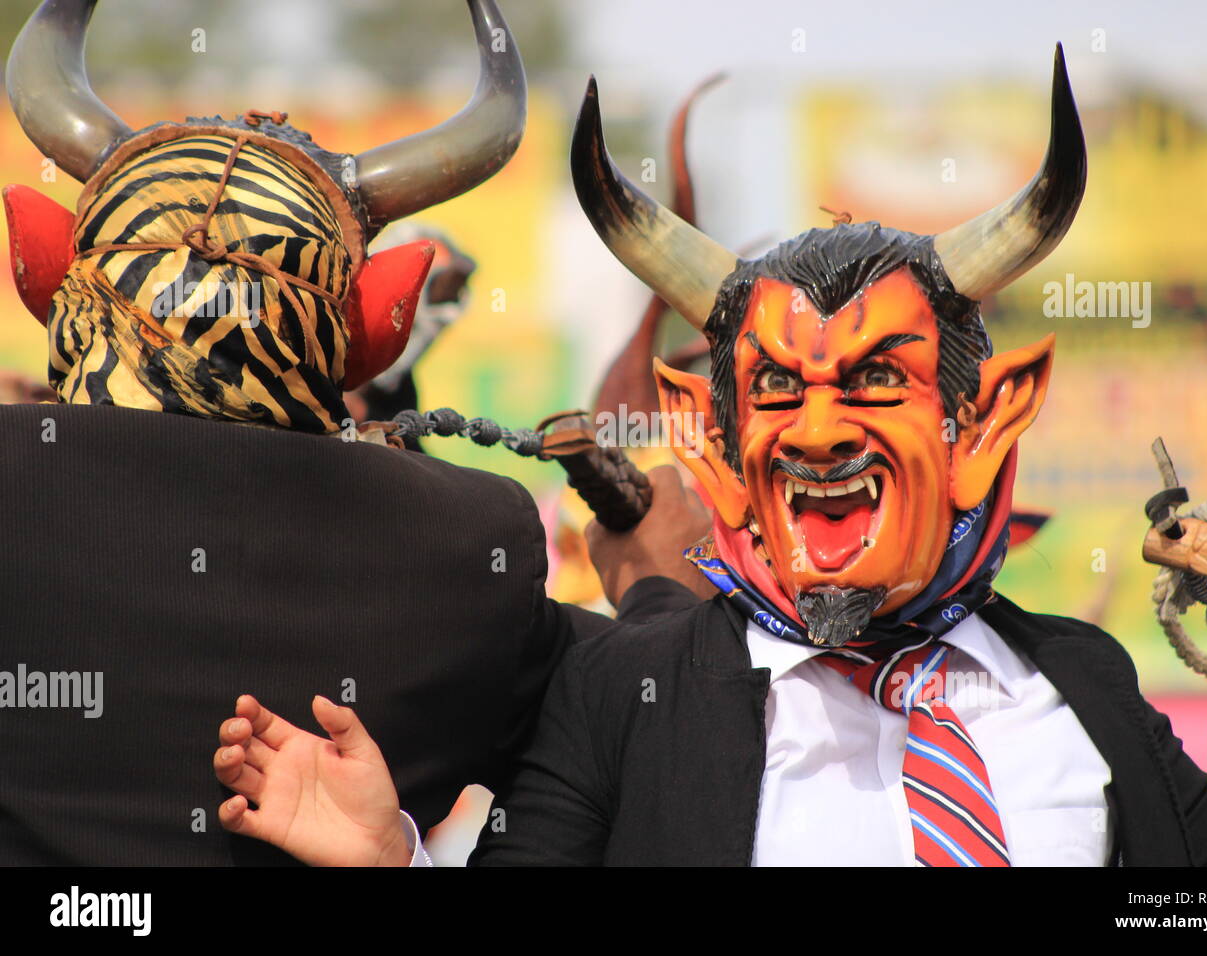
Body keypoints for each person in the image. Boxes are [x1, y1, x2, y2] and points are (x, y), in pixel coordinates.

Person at [210, 45, 1207, 866]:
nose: (820, 433)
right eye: (777, 391)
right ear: (716, 443)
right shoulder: (622, 695)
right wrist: (393, 858)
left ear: (986, 424)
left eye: (876, 379)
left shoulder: (1082, 680)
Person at [0, 0, 707, 865]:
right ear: (376, 326)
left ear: (42, 269)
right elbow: (649, 728)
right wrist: (661, 592)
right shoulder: (463, 545)